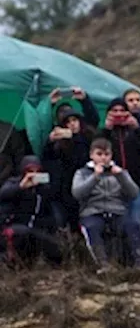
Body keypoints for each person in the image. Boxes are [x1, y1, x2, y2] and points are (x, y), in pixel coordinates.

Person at [74, 138, 140, 268]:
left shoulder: (119, 172)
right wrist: (95, 177)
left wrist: (121, 177)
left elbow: (134, 193)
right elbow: (77, 193)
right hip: (93, 212)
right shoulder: (82, 172)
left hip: (117, 211)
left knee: (133, 226)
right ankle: (103, 265)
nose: (103, 158)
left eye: (106, 154)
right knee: (92, 228)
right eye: (99, 154)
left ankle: (139, 263)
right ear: (92, 155)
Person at [42, 89, 99, 229]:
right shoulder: (58, 143)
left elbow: (94, 120)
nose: (72, 124)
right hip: (65, 192)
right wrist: (50, 143)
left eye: (74, 120)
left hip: (87, 189)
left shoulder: (88, 136)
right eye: (67, 122)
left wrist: (84, 99)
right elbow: (48, 160)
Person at [100, 97, 140, 238]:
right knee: (116, 226)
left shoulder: (134, 132)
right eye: (115, 111)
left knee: (136, 222)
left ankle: (138, 256)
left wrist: (136, 128)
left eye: (122, 111)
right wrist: (107, 129)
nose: (118, 115)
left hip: (135, 185)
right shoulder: (105, 132)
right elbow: (97, 152)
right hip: (112, 188)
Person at [0, 156, 63, 266]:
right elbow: (3, 194)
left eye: (37, 171)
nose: (33, 175)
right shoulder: (13, 183)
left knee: (54, 246)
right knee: (22, 233)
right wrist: (21, 187)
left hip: (35, 228)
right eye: (30, 171)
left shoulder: (43, 189)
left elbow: (50, 210)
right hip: (13, 226)